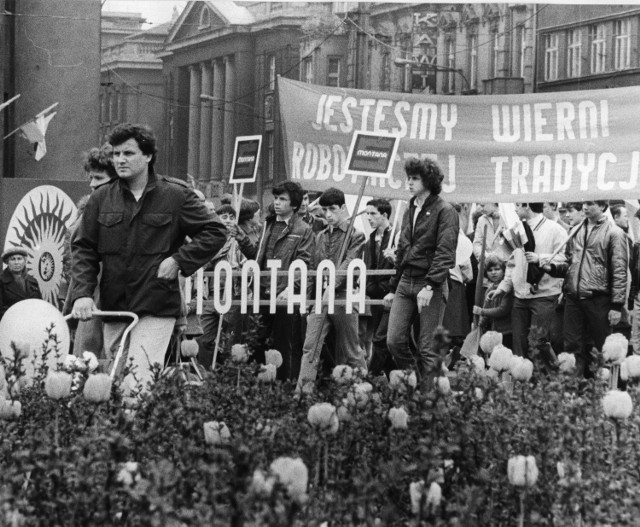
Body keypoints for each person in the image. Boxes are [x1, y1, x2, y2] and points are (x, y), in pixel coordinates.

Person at [69, 123, 226, 396]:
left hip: (156, 304)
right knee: (115, 379)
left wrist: (179, 260)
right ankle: (126, 435)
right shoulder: (100, 200)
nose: (120, 160)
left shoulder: (175, 196)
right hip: (115, 305)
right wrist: (82, 294)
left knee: (138, 382)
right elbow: (84, 248)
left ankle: (134, 431)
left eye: (128, 153)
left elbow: (215, 231)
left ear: (148, 156)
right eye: (116, 154)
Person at [383, 158, 459, 386]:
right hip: (406, 281)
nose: (409, 182)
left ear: (429, 181)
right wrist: (393, 286)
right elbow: (403, 249)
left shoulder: (445, 211)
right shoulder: (410, 207)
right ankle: (417, 381)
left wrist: (430, 285)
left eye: (415, 178)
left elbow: (445, 252)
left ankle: (430, 400)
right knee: (394, 341)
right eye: (409, 178)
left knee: (427, 348)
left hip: (430, 285)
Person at [234, 181, 314, 381]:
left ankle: (283, 390)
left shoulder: (303, 230)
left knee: (282, 346)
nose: (277, 202)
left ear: (294, 205)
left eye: (282, 199)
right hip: (262, 291)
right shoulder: (268, 226)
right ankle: (257, 387)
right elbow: (257, 258)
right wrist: (242, 239)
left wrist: (290, 289)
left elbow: (303, 263)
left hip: (283, 295)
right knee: (255, 342)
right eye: (276, 198)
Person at [544, 200, 628, 376]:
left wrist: (616, 305)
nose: (585, 207)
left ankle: (602, 391)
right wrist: (551, 268)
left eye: (590, 203)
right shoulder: (575, 230)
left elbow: (620, 271)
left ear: (602, 206)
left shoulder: (615, 233)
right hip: (574, 298)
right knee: (571, 347)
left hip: (599, 299)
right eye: (584, 203)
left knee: (601, 348)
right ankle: (575, 392)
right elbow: (569, 263)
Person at [297, 187, 366, 391]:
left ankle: (364, 395)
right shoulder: (319, 236)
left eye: (333, 209)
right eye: (324, 210)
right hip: (319, 299)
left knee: (351, 350)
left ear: (343, 208)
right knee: (310, 347)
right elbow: (311, 269)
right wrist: (307, 299)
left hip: (343, 297)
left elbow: (349, 263)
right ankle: (302, 394)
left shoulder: (356, 235)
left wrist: (332, 286)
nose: (328, 215)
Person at [490, 203, 567, 360]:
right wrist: (503, 287)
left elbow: (564, 259)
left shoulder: (555, 229)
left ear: (527, 205)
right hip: (520, 296)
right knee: (519, 344)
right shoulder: (516, 229)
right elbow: (512, 264)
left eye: (518, 205)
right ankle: (521, 380)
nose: (515, 209)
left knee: (538, 342)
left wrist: (540, 258)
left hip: (544, 295)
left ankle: (550, 378)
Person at [63, 144, 118, 357]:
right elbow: (76, 265)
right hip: (92, 298)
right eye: (91, 179)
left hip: (126, 299)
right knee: (86, 360)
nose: (92, 184)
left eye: (99, 179)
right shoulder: (85, 219)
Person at [197, 204, 245, 369]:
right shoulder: (208, 239)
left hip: (230, 295)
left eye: (232, 217)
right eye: (224, 217)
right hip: (210, 296)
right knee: (203, 338)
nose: (228, 220)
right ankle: (205, 375)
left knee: (228, 341)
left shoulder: (239, 242)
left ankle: (227, 379)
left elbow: (248, 264)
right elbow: (201, 263)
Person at [363, 198, 396, 376]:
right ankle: (396, 376)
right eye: (367, 213)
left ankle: (372, 375)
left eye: (373, 213)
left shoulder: (397, 235)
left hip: (391, 292)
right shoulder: (370, 239)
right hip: (375, 294)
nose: (369, 217)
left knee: (380, 338)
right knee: (380, 337)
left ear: (384, 215)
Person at [473, 254, 513, 350]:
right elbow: (486, 310)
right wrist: (479, 324)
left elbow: (502, 310)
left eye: (497, 269)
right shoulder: (488, 290)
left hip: (508, 330)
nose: (493, 273)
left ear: (504, 270)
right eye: (490, 270)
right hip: (495, 331)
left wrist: (481, 311)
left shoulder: (506, 288)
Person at [0, 247, 42, 319]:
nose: (16, 262)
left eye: (19, 259)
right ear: (7, 262)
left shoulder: (33, 281)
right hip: (10, 323)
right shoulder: (1, 281)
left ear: (25, 261)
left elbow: (40, 305)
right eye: (13, 259)